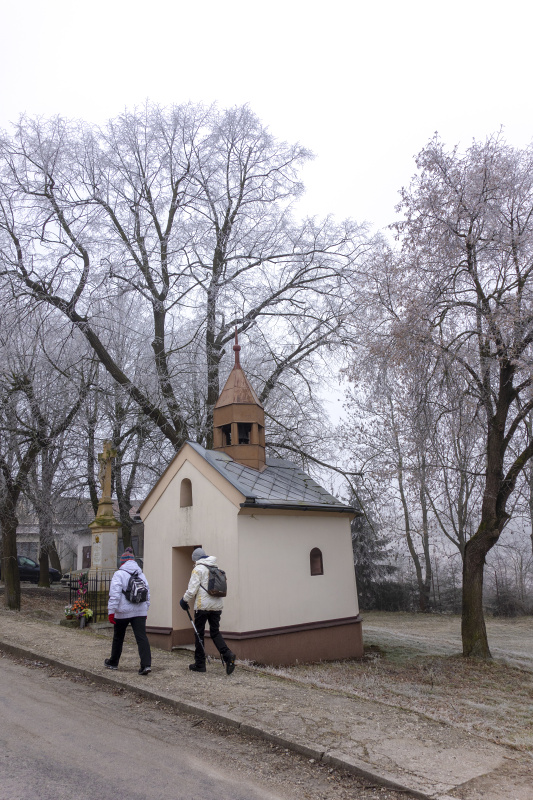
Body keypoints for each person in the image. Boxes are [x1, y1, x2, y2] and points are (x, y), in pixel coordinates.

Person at [180, 547, 235, 675]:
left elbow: (192, 590)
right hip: (216, 606)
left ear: (196, 559)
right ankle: (228, 655)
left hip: (202, 606)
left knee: (199, 634)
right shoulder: (215, 568)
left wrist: (184, 600)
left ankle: (200, 664)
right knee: (215, 632)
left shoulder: (198, 569)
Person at [105, 547, 152, 675]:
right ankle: (146, 665)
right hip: (140, 611)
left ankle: (113, 662)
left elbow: (114, 595)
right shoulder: (141, 574)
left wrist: (111, 611)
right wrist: (145, 609)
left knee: (118, 638)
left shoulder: (119, 574)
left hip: (122, 612)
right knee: (142, 638)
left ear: (122, 562)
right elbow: (147, 593)